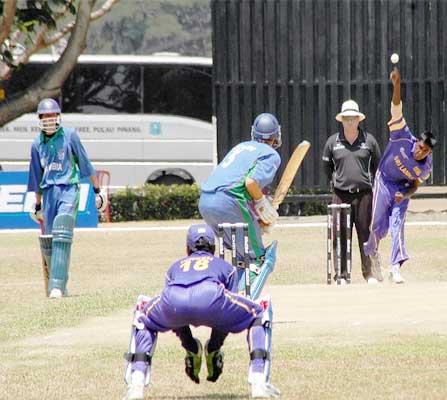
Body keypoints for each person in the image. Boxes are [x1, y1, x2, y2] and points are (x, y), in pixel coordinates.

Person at [122, 224, 280, 400]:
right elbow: (225, 318)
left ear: (187, 249)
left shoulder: (174, 268)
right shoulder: (226, 267)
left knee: (142, 314)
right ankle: (259, 382)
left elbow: (176, 319)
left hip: (173, 299)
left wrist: (190, 346)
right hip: (211, 296)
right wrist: (213, 347)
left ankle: (136, 385)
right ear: (213, 248)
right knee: (261, 310)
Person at [363, 68, 437, 283]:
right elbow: (396, 108)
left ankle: (395, 266)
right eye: (421, 147)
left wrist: (404, 196)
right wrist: (396, 85)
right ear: (417, 142)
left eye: (426, 151)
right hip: (383, 180)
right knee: (377, 226)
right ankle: (373, 252)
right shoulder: (402, 136)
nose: (421, 152)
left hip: (401, 189)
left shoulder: (426, 167)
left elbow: (415, 185)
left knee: (397, 224)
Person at [28, 98, 106, 298]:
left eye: (52, 115)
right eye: (45, 116)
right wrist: (36, 204)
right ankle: (60, 284)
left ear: (58, 117)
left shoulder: (70, 136)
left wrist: (98, 191)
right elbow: (36, 176)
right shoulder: (37, 144)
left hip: (69, 188)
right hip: (48, 193)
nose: (49, 119)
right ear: (39, 118)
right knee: (50, 241)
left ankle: (55, 286)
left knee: (62, 229)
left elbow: (85, 163)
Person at [198, 112, 281, 294]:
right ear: (275, 136)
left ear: (254, 134)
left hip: (205, 201)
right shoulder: (271, 154)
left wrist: (257, 218)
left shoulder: (241, 147)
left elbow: (236, 181)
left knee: (239, 255)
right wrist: (261, 204)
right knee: (257, 258)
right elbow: (250, 183)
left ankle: (226, 297)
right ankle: (243, 305)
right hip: (229, 201)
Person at [322, 100, 382, 284]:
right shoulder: (333, 142)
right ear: (342, 120)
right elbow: (327, 167)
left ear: (358, 119)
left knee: (365, 234)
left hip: (364, 194)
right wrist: (336, 181)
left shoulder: (369, 140)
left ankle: (369, 273)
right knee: (339, 235)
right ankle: (341, 275)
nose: (350, 121)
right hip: (341, 195)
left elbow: (377, 167)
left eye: (353, 118)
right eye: (346, 118)